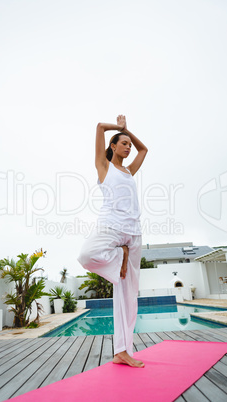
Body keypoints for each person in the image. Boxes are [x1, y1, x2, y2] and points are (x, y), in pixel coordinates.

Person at [78, 115, 148, 368]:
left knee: (128, 295)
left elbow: (145, 149)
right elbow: (98, 127)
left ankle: (122, 351)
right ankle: (119, 257)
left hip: (134, 233)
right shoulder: (104, 167)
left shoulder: (129, 171)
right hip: (111, 227)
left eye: (130, 144)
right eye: (124, 143)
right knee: (86, 255)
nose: (129, 147)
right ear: (113, 146)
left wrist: (128, 131)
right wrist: (118, 127)